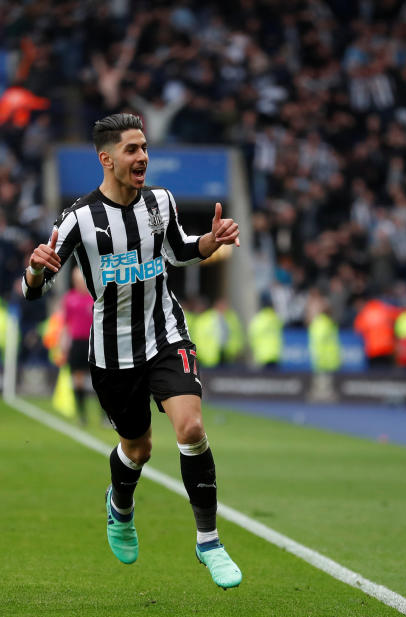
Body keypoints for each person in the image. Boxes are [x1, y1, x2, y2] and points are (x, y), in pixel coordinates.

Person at [20, 113, 242, 589]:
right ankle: (120, 507)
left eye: (144, 147)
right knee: (137, 448)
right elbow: (35, 290)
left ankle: (209, 541)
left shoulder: (161, 202)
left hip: (165, 334)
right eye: (132, 149)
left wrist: (209, 240)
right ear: (107, 159)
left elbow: (179, 250)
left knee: (192, 427)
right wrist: (36, 270)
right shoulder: (79, 218)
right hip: (112, 353)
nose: (142, 157)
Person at [62, 267, 95, 424]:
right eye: (77, 280)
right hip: (77, 343)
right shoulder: (69, 299)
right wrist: (64, 344)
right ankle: (82, 414)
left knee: (99, 380)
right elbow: (65, 324)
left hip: (93, 342)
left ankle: (104, 415)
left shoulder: (94, 298)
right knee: (78, 379)